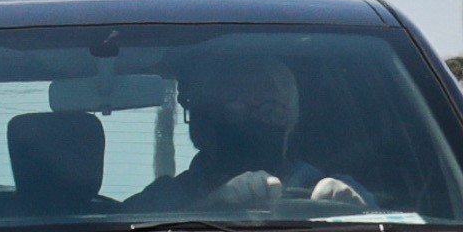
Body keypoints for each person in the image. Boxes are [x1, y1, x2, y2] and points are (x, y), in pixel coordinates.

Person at [121, 52, 362, 214]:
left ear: (291, 120)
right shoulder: (163, 203)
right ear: (201, 124)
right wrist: (210, 211)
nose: (254, 121)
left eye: (270, 110)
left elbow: (391, 227)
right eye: (234, 110)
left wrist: (356, 210)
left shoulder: (329, 188)